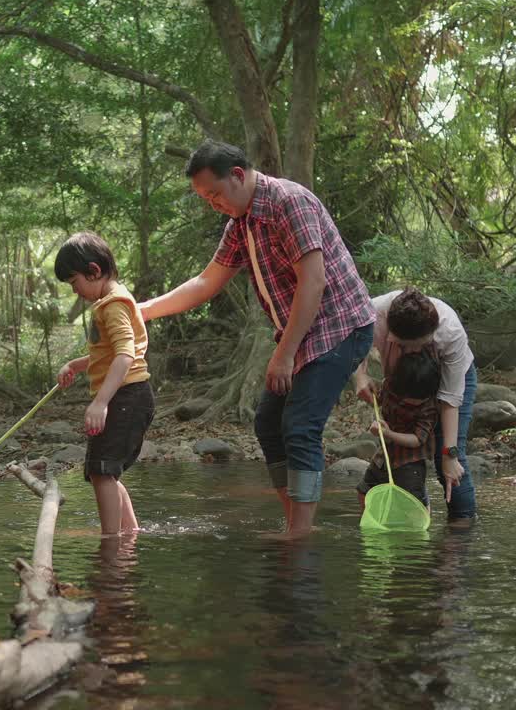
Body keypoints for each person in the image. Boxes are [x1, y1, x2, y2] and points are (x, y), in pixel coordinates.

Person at [139, 139, 375, 538]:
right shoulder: (241, 224)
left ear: (237, 175)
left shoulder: (288, 202)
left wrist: (282, 355)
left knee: (300, 425)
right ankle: (295, 523)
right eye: (205, 199)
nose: (213, 204)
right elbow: (205, 282)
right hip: (302, 333)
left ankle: (300, 532)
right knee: (269, 423)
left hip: (341, 327)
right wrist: (140, 310)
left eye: (215, 194)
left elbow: (313, 283)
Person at [55, 232, 155, 536]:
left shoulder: (112, 305)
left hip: (126, 396)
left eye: (75, 283)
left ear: (94, 271)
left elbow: (125, 355)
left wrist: (100, 402)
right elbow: (109, 352)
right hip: (128, 395)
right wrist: (77, 364)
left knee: (102, 472)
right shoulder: (113, 302)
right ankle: (129, 535)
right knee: (104, 472)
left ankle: (111, 541)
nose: (76, 291)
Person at [353, 288, 478, 520]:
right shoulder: (372, 313)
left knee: (448, 462)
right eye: (402, 346)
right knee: (393, 456)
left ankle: (461, 531)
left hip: (450, 379)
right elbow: (356, 337)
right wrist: (360, 375)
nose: (411, 352)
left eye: (420, 346)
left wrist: (450, 455)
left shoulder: (451, 333)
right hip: (402, 384)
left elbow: (449, 399)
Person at [357, 350, 441, 512]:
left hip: (410, 461)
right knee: (364, 490)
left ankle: (419, 529)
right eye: (405, 397)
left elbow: (418, 439)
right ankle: (371, 521)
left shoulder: (428, 408)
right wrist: (371, 389)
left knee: (413, 503)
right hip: (385, 455)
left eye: (417, 400)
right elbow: (378, 399)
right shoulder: (392, 387)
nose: (409, 402)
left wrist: (388, 434)